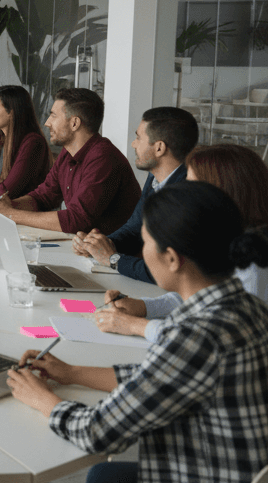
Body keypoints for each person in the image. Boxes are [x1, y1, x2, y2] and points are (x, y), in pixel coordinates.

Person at [7, 182, 268, 483]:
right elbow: (161, 378)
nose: (142, 251)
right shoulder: (250, 308)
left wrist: (42, 398)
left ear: (172, 258)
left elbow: (97, 432)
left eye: (146, 243)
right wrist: (70, 373)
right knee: (104, 477)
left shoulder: (193, 335)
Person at [95, 143, 268, 341]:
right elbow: (200, 296)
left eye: (191, 185)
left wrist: (137, 326)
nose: (182, 191)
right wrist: (143, 306)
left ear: (222, 193)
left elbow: (227, 334)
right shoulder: (220, 235)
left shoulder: (254, 260)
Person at [0, 88, 140, 234]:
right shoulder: (67, 153)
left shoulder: (103, 157)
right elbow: (42, 197)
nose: (47, 123)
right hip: (84, 248)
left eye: (53, 115)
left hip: (115, 255)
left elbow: (77, 220)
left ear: (74, 123)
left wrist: (10, 214)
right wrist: (7, 204)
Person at [72, 107, 198, 283]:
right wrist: (100, 245)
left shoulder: (188, 191)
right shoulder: (155, 175)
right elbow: (134, 228)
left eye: (138, 137)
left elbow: (166, 269)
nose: (133, 144)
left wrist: (113, 259)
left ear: (159, 148)